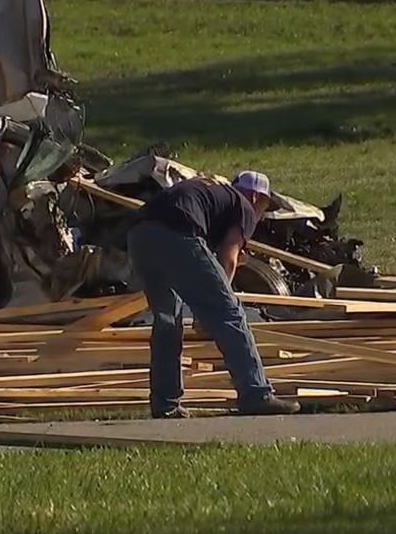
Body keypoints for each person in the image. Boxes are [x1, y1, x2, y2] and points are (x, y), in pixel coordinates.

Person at [126, 171, 301, 418]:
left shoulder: (213, 192)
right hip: (177, 233)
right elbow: (228, 258)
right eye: (265, 205)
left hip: (139, 235)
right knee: (229, 313)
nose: (263, 213)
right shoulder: (244, 206)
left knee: (167, 321)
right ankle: (256, 394)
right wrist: (214, 304)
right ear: (255, 197)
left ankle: (165, 404)